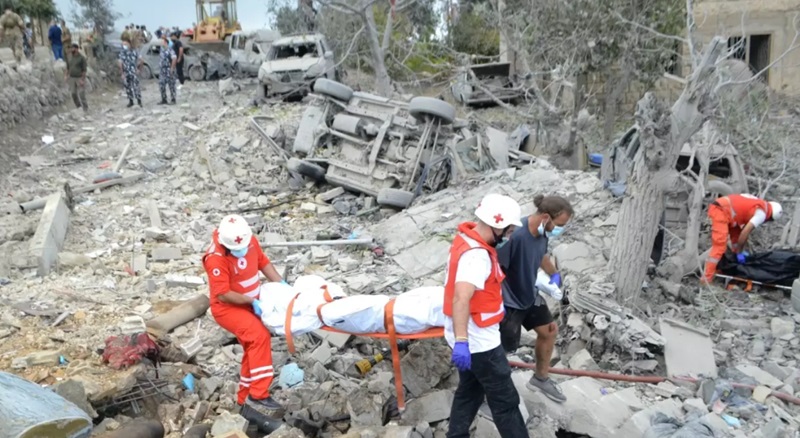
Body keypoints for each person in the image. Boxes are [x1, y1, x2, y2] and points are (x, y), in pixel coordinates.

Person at [444, 193, 528, 438]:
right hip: (479, 341)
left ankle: (456, 435)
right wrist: (462, 341)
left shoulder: (466, 240)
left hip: (469, 335)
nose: (509, 236)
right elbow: (461, 298)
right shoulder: (476, 256)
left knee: (470, 390)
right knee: (506, 401)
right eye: (509, 231)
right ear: (497, 225)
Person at [202, 214, 286, 431]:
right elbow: (222, 294)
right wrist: (252, 301)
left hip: (249, 302)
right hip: (228, 308)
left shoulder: (247, 240)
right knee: (259, 336)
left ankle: (245, 397)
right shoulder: (215, 258)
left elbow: (263, 262)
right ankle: (258, 395)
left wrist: (283, 286)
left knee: (252, 344)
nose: (241, 250)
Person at [497, 194, 573, 404]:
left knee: (549, 330)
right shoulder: (516, 235)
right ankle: (490, 394)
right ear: (546, 217)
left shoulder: (542, 233)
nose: (561, 228)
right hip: (508, 300)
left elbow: (541, 256)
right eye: (560, 224)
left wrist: (555, 275)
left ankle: (540, 378)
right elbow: (496, 267)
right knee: (500, 351)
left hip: (528, 294)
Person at [702, 194, 783, 284]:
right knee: (719, 246)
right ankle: (706, 279)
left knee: (736, 238)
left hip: (729, 212)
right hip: (721, 211)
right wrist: (740, 252)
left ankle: (729, 262)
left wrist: (738, 249)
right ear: (770, 217)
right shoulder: (762, 214)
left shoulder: (758, 202)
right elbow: (745, 232)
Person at [118, 39, 143, 107]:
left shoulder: (135, 51)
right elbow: (120, 63)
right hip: (126, 72)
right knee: (128, 87)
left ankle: (139, 101)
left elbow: (141, 60)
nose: (124, 46)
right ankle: (131, 101)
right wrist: (122, 73)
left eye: (125, 44)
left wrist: (139, 70)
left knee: (136, 87)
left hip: (133, 72)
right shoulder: (122, 52)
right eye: (123, 44)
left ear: (129, 44)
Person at [65, 43, 88, 112]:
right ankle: (78, 107)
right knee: (73, 93)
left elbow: (84, 70)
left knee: (81, 94)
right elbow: (68, 67)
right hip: (72, 78)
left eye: (73, 48)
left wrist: (82, 80)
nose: (71, 49)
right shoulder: (69, 57)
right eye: (71, 48)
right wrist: (66, 76)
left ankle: (85, 108)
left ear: (77, 49)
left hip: (79, 78)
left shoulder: (81, 58)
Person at [157, 36, 177, 105]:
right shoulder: (161, 50)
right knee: (161, 85)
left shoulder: (170, 50)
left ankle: (173, 100)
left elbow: (174, 59)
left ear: (165, 42)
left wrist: (172, 68)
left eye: (162, 41)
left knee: (171, 85)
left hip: (169, 70)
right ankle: (164, 99)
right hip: (162, 71)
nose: (160, 42)